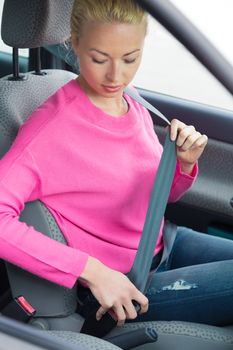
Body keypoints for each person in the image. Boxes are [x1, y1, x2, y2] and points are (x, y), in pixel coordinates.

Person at [0, 0, 232, 328]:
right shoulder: (50, 129)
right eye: (99, 58)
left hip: (165, 242)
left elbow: (153, 198)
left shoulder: (129, 99)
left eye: (130, 58)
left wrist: (182, 165)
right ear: (74, 44)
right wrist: (91, 271)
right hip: (127, 282)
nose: (115, 76)